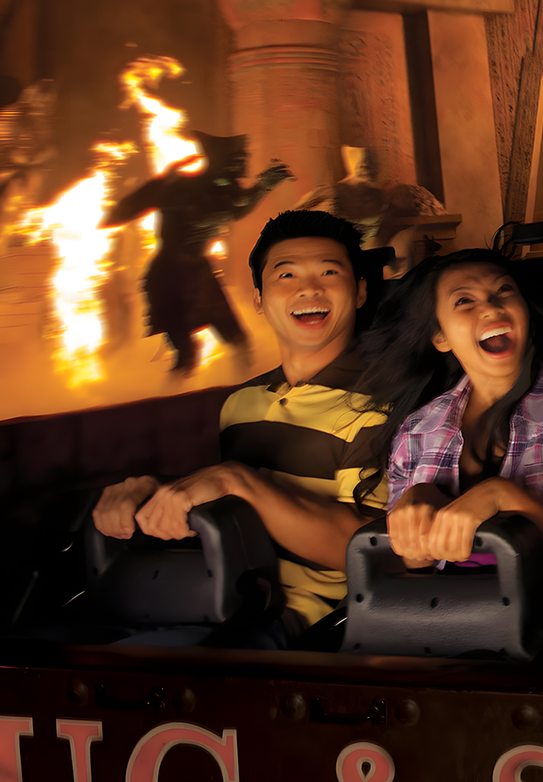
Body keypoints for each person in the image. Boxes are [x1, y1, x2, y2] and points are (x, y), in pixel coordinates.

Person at [90, 210, 388, 647]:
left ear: (360, 291)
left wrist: (235, 481)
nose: (309, 288)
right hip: (215, 597)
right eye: (286, 274)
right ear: (259, 298)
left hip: (304, 625)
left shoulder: (380, 403)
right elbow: (237, 508)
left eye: (329, 271)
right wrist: (150, 494)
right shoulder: (241, 403)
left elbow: (365, 548)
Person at [363, 250, 543, 616]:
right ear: (440, 336)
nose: (490, 308)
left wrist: (506, 498)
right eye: (464, 300)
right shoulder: (417, 433)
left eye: (503, 291)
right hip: (445, 641)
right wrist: (418, 505)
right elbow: (403, 587)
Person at [100, 132, 292, 373]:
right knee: (186, 355)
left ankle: (243, 395)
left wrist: (262, 187)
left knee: (239, 342)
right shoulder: (180, 188)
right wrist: (158, 188)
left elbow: (234, 208)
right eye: (235, 159)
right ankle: (169, 405)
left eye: (242, 158)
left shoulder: (221, 191)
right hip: (169, 278)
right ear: (217, 160)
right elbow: (117, 214)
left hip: (199, 276)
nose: (241, 164)